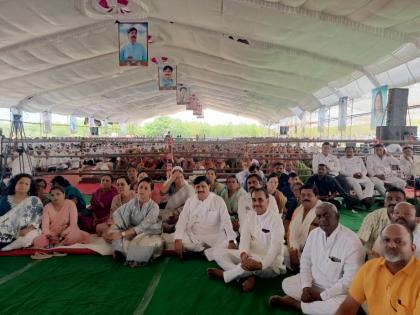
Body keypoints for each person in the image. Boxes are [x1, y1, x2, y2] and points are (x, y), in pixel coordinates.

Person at [270, 202, 364, 314]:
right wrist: (306, 287)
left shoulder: (352, 242)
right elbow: (305, 262)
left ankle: (296, 304)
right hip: (314, 284)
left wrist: (321, 296)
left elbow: (350, 281)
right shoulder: (314, 234)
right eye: (319, 216)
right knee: (287, 283)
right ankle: (312, 303)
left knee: (339, 307)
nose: (322, 219)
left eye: (327, 215)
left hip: (336, 291)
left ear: (337, 217)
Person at [207, 188, 286, 291]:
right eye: (254, 200)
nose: (256, 203)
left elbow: (275, 248)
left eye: (260, 200)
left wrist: (261, 264)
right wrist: (243, 254)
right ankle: (248, 276)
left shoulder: (275, 220)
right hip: (251, 256)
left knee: (252, 262)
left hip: (270, 263)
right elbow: (244, 239)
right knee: (218, 253)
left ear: (268, 200)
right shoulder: (250, 216)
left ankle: (226, 275)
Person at [336, 224, 420, 315]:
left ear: (412, 248)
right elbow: (348, 308)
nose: (391, 245)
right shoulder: (369, 268)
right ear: (380, 245)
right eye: (386, 240)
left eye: (398, 241)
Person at [173, 176, 236, 258]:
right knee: (178, 238)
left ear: (209, 186)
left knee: (228, 243)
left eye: (203, 186)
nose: (200, 189)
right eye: (197, 187)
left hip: (214, 235)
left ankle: (200, 253)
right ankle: (206, 251)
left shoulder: (218, 200)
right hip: (195, 235)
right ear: (194, 188)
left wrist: (231, 241)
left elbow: (226, 221)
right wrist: (178, 239)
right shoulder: (190, 201)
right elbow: (182, 220)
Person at [108, 177, 163, 268]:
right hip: (131, 230)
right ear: (137, 188)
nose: (142, 190)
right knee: (115, 233)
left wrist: (123, 234)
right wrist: (117, 230)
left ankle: (133, 256)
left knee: (149, 243)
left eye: (146, 188)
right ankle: (124, 253)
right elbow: (119, 215)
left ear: (151, 191)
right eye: (140, 187)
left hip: (150, 232)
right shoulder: (132, 202)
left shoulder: (154, 207)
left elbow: (143, 227)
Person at [358, 187, 406, 257]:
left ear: (405, 202)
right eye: (389, 199)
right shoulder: (373, 217)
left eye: (398, 199)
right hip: (375, 259)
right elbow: (360, 242)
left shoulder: (410, 218)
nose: (393, 202)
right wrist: (370, 253)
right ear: (384, 202)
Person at [0, 174, 43, 250]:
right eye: (20, 182)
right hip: (5, 230)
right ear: (15, 184)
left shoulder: (34, 200)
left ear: (30, 187)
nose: (23, 185)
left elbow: (37, 220)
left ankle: (7, 247)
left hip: (25, 232)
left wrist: (26, 230)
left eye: (26, 184)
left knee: (32, 234)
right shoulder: (4, 200)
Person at [287, 185, 321, 272]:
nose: (305, 197)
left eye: (309, 195)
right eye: (303, 195)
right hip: (296, 249)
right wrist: (292, 251)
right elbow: (290, 232)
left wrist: (303, 256)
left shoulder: (323, 212)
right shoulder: (298, 210)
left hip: (314, 253)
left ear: (316, 197)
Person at [159, 166, 195, 233]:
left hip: (181, 211)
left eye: (181, 177)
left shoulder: (188, 188)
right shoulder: (170, 185)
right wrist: (171, 179)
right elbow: (162, 192)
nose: (180, 179)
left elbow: (190, 204)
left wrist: (177, 212)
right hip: (170, 209)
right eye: (177, 178)